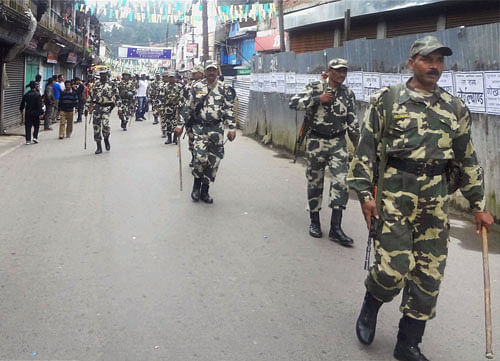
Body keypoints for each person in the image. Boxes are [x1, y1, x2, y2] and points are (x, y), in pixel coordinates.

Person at [347, 36, 494, 361]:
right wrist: (363, 195)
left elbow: (467, 159)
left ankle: (408, 343)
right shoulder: (388, 100)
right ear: (412, 62)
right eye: (428, 59)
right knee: (394, 269)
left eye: (440, 60)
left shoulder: (454, 108)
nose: (435, 66)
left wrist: (479, 206)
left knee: (429, 273)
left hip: (435, 200)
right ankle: (372, 302)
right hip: (394, 196)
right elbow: (366, 147)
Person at [289, 58, 360, 246]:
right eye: (338, 71)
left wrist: (359, 148)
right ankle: (315, 222)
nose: (342, 74)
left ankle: (336, 228)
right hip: (316, 141)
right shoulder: (315, 87)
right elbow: (293, 103)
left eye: (345, 71)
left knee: (341, 181)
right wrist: (316, 100)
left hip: (338, 142)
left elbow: (352, 122)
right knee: (315, 181)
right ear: (329, 71)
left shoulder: (348, 94)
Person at [176, 60, 236, 203]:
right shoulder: (197, 87)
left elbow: (229, 109)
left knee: (213, 161)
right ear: (204, 72)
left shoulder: (224, 88)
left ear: (217, 71)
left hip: (217, 129)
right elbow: (188, 107)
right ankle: (196, 187)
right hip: (200, 129)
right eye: (208, 70)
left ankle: (205, 191)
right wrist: (180, 125)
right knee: (200, 158)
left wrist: (232, 128)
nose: (211, 73)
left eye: (213, 70)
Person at [86, 70, 120, 154]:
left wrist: (120, 108)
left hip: (106, 108)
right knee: (96, 127)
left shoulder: (112, 84)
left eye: (104, 75)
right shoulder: (96, 84)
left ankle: (106, 139)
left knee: (105, 126)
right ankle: (99, 147)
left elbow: (117, 97)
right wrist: (86, 108)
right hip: (97, 107)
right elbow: (90, 96)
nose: (103, 76)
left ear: (107, 75)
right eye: (101, 75)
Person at [182, 65, 204, 167]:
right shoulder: (188, 85)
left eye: (195, 73)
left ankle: (201, 158)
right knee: (191, 138)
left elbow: (200, 100)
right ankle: (193, 157)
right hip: (189, 117)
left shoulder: (203, 85)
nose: (192, 74)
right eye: (192, 73)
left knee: (200, 139)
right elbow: (183, 98)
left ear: (201, 73)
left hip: (199, 117)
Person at [157, 71, 182, 144]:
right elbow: (161, 98)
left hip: (176, 108)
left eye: (172, 77)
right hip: (167, 108)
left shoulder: (179, 87)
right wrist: (160, 107)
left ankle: (175, 138)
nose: (171, 79)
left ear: (175, 78)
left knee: (176, 124)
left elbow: (182, 97)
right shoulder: (164, 87)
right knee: (168, 123)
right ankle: (169, 138)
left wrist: (180, 105)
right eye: (170, 78)